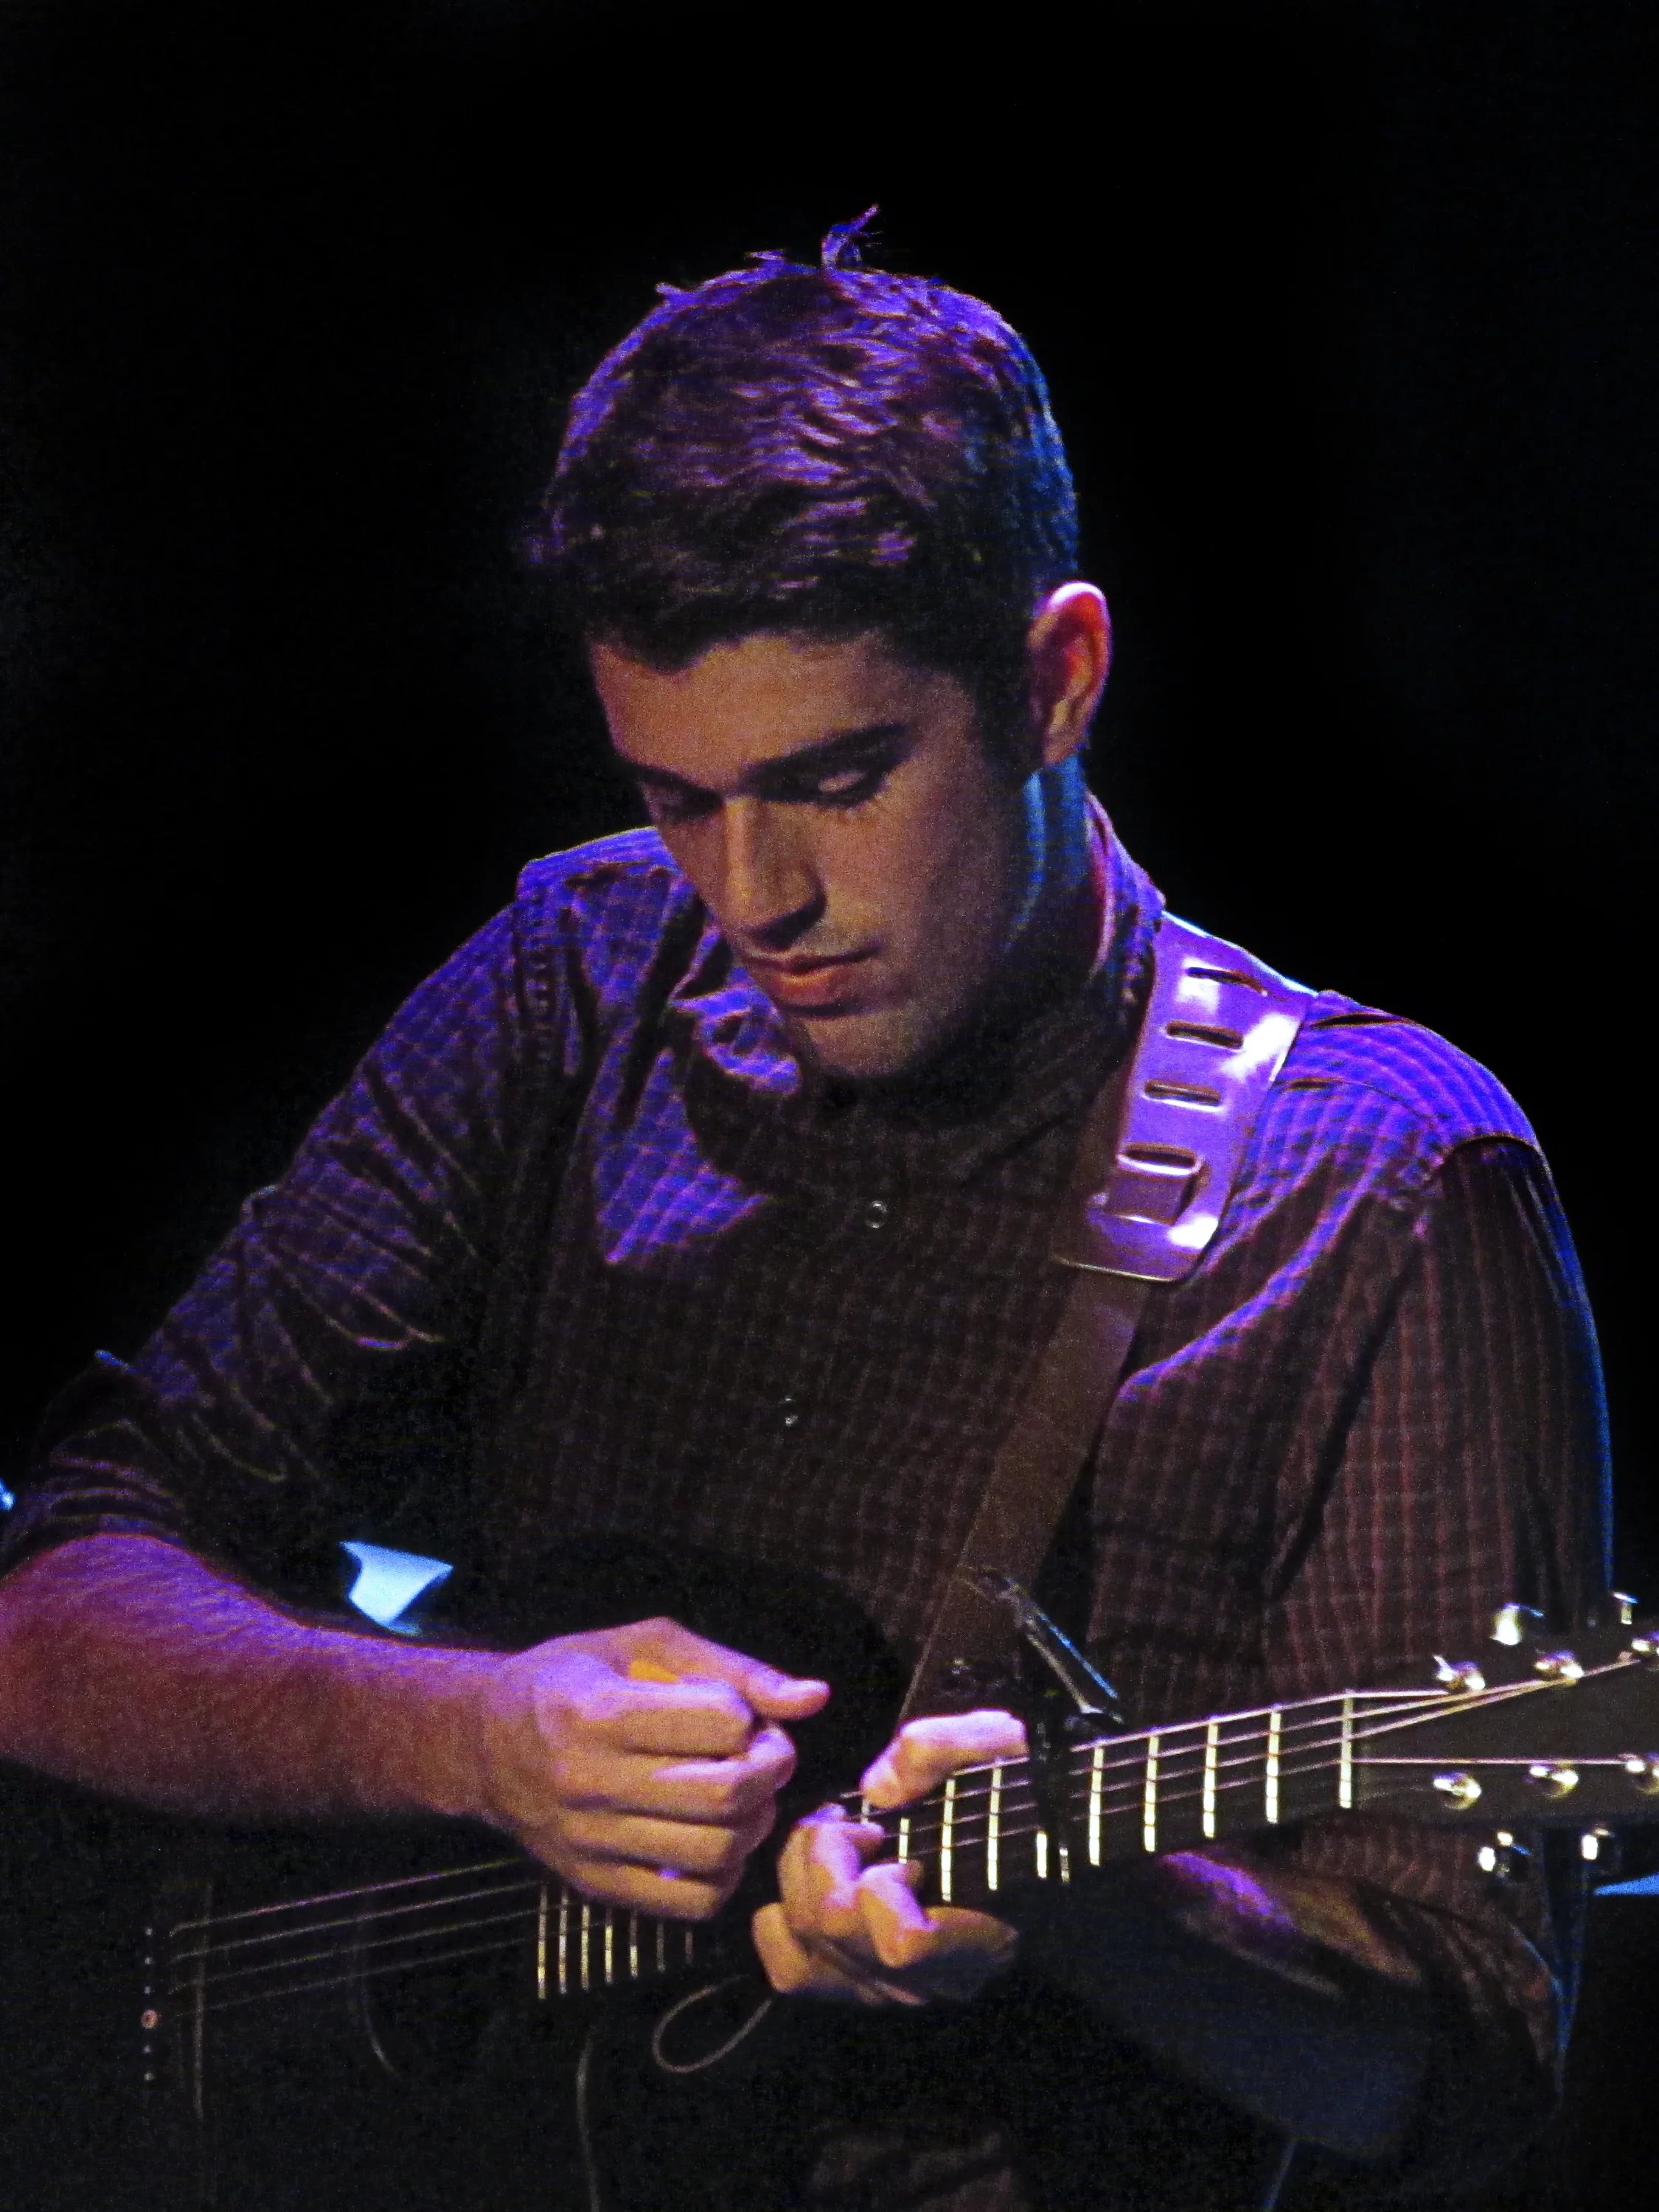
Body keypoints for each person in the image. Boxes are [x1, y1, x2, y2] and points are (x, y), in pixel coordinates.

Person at [0, 218, 1611, 2211]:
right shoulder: (574, 981)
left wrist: (1106, 1912)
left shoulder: (1383, 1181)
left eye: (840, 780)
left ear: (1057, 679)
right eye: (678, 798)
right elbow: (52, 1603)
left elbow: (1459, 2055)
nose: (755, 898)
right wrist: (467, 1737)